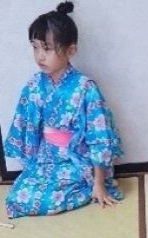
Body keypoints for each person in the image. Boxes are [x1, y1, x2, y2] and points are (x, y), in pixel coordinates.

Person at [3, 2, 123, 218]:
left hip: (76, 159)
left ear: (71, 50)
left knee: (49, 201)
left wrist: (99, 183)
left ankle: (90, 186)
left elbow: (99, 137)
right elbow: (25, 125)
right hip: (45, 159)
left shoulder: (85, 88)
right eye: (35, 47)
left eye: (47, 48)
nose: (40, 56)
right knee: (17, 198)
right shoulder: (34, 86)